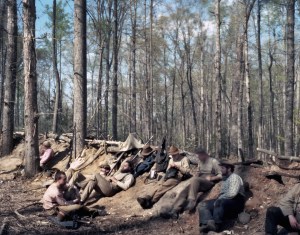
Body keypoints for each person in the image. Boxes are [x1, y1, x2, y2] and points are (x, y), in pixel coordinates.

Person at [166, 148, 222, 217]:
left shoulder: (214, 161)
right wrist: (196, 175)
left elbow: (220, 175)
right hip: (199, 180)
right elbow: (198, 172)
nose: (199, 157)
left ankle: (191, 201)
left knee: (195, 180)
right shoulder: (200, 162)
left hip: (209, 181)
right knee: (184, 191)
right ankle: (174, 211)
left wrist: (212, 178)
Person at [198, 160, 245, 233]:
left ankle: (216, 226)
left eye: (222, 168)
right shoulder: (225, 179)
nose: (221, 170)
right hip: (225, 201)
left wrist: (218, 199)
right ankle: (207, 224)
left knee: (219, 201)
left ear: (229, 169)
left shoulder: (234, 177)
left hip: (236, 202)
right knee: (202, 204)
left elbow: (232, 193)